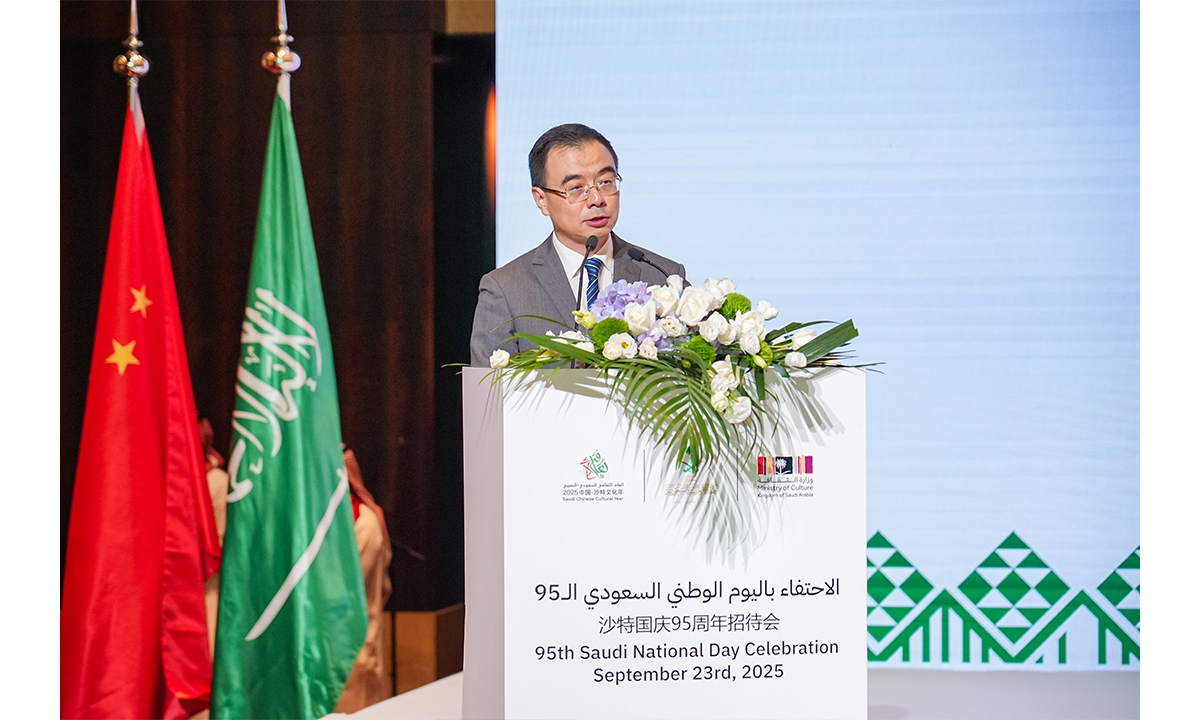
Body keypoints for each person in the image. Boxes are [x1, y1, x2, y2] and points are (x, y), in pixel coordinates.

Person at [469, 123, 687, 366]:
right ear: (541, 200)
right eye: (576, 188)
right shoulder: (507, 290)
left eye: (606, 182)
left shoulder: (662, 276)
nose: (596, 199)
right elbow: (488, 395)